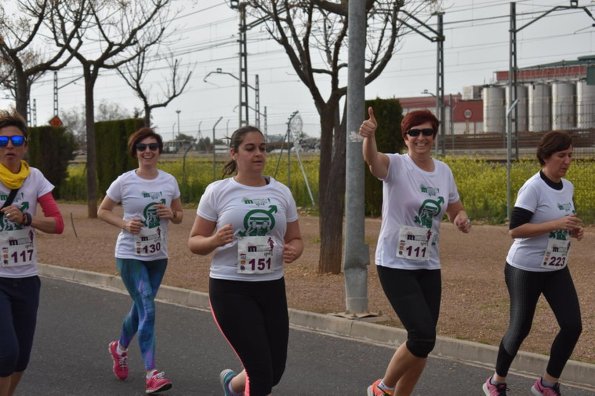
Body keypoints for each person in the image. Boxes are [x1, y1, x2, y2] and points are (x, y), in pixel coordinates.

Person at [359, 108, 471, 396]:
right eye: (414, 132)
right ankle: (381, 388)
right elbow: (374, 163)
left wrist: (459, 217)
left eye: (427, 132)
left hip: (428, 264)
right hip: (395, 263)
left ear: (434, 136)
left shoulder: (444, 171)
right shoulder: (396, 165)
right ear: (405, 137)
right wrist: (369, 138)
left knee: (424, 342)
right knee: (421, 336)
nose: (421, 138)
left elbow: (454, 206)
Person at [188, 126, 303, 396]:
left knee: (274, 371)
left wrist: (294, 250)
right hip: (231, 288)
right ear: (234, 153)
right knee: (261, 374)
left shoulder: (281, 192)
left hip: (272, 287)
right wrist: (214, 240)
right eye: (250, 148)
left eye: (262, 148)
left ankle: (232, 385)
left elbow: (296, 238)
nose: (258, 154)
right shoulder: (218, 191)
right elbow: (194, 242)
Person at [482, 131, 583, 396]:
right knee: (520, 328)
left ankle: (547, 383)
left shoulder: (568, 187)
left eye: (570, 155)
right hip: (524, 268)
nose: (567, 161)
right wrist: (557, 224)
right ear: (546, 157)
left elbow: (564, 219)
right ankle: (496, 381)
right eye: (562, 155)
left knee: (572, 325)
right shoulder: (533, 187)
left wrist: (573, 230)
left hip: (556, 266)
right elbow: (515, 229)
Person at [97, 127, 183, 395]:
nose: (148, 151)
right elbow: (102, 211)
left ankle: (119, 348)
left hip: (158, 256)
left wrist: (172, 213)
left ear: (159, 151)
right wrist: (124, 224)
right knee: (147, 306)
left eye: (153, 147)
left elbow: (180, 214)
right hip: (130, 255)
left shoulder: (169, 181)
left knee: (140, 309)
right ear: (135, 152)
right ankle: (152, 373)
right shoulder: (124, 181)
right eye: (142, 147)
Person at [0, 110, 64, 396]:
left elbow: (57, 223)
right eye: (2, 141)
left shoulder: (35, 178)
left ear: (25, 145)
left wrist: (27, 219)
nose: (9, 146)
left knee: (21, 358)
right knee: (5, 353)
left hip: (27, 279)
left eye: (15, 140)